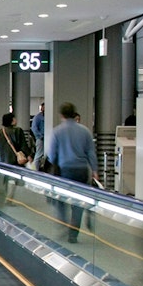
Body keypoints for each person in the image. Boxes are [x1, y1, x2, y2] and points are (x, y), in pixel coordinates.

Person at [46, 102, 98, 243]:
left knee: (61, 201)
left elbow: (51, 155)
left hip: (64, 171)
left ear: (61, 115)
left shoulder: (57, 131)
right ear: (75, 114)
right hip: (81, 171)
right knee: (78, 203)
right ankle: (73, 233)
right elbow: (91, 153)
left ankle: (63, 225)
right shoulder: (85, 131)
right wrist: (95, 170)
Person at [0, 112, 30, 209]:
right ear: (11, 120)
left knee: (5, 179)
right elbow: (23, 145)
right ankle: (9, 199)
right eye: (14, 118)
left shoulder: (0, 132)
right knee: (13, 180)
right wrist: (29, 155)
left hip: (3, 160)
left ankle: (3, 197)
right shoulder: (18, 131)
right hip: (14, 161)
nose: (16, 119)